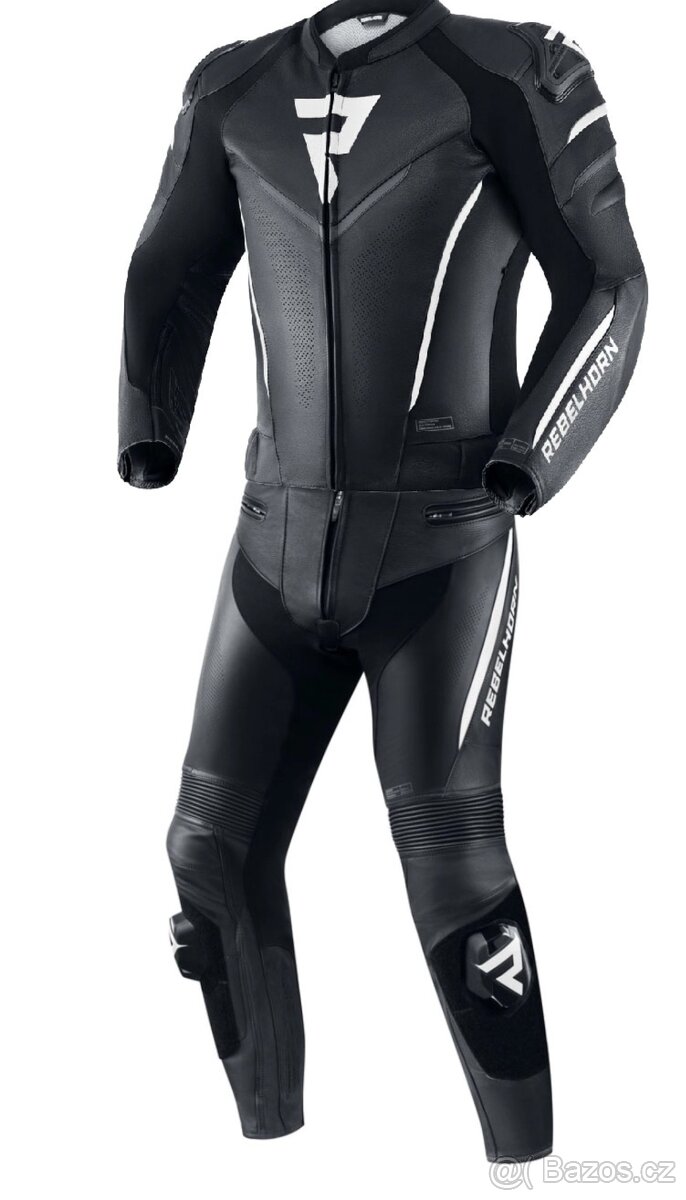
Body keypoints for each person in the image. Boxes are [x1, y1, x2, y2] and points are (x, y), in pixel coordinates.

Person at [118, 0, 646, 1160]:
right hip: (271, 540)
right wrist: (148, 427)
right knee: (206, 851)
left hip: (442, 544)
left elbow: (609, 286)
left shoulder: (511, 70)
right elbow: (168, 269)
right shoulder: (231, 87)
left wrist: (530, 457)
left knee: (449, 857)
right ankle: (269, 1145)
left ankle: (527, 1168)